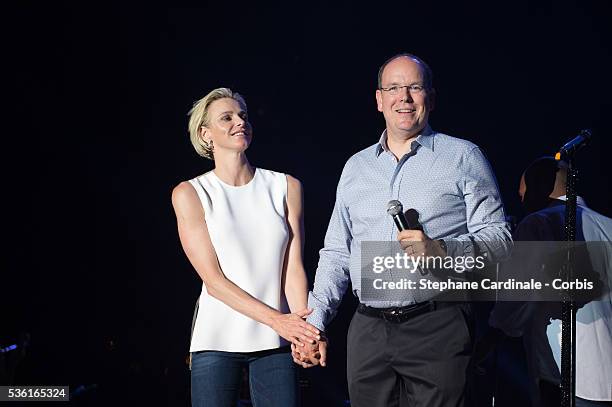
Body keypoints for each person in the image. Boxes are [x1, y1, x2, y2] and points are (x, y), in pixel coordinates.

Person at [293, 54, 512, 406]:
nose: (404, 97)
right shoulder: (356, 167)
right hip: (367, 331)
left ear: (431, 97)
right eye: (394, 88)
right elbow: (336, 253)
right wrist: (315, 322)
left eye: (414, 87)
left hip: (437, 324)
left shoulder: (463, 156)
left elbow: (500, 243)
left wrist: (443, 250)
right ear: (379, 99)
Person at [171, 88, 320, 407]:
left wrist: (302, 330)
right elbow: (214, 282)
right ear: (205, 134)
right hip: (215, 342)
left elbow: (293, 269)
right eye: (227, 117)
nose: (239, 121)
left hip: (276, 343)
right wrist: (279, 320)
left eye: (243, 116)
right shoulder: (190, 193)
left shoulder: (286, 187)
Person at [489, 157, 612, 406]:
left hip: (570, 376)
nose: (522, 202)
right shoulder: (607, 224)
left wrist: (491, 337)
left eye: (523, 195)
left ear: (540, 188)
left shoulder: (539, 223)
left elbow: (517, 297)